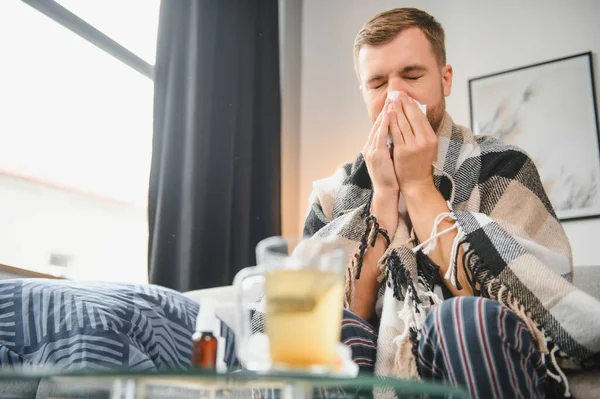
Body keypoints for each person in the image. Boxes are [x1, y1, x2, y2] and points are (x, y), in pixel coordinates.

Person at [303, 7, 600, 398]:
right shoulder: (332, 193)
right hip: (374, 375)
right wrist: (385, 196)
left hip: (486, 357)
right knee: (329, 331)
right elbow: (331, 320)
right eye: (377, 83)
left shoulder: (504, 167)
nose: (395, 95)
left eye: (412, 75)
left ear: (445, 80)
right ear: (363, 92)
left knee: (457, 317)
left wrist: (418, 186)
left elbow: (528, 305)